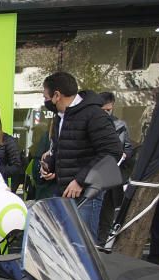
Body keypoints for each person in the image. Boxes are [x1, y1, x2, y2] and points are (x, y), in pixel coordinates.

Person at [39, 72, 122, 240]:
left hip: (87, 194)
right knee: (66, 245)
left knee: (83, 245)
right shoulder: (61, 118)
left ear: (57, 95)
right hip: (64, 192)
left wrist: (80, 180)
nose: (45, 101)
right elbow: (64, 149)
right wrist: (49, 165)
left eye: (45, 96)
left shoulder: (93, 114)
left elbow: (112, 151)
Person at [97, 91, 135, 242]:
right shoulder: (94, 123)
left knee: (107, 213)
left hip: (113, 176)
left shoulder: (120, 125)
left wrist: (126, 154)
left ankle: (101, 242)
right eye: (104, 110)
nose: (107, 113)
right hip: (97, 174)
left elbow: (128, 147)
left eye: (109, 109)